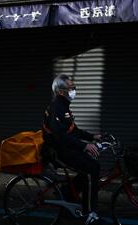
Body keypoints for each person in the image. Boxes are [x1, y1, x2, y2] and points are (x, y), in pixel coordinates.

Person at [42, 74, 108, 225]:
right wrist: (84, 145)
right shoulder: (57, 108)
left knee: (88, 168)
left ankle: (68, 193)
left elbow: (73, 131)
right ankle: (91, 214)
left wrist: (93, 137)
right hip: (59, 152)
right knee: (92, 169)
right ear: (60, 91)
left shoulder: (64, 107)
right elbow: (60, 136)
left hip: (67, 148)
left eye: (74, 87)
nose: (73, 90)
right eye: (70, 88)